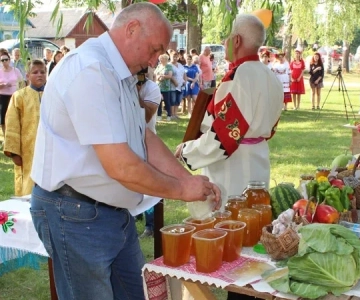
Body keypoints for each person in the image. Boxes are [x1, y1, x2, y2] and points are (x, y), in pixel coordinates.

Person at [29, 3, 221, 300]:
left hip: (109, 211)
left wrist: (187, 180)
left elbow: (142, 137)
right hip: (74, 213)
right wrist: (183, 189)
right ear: (131, 29)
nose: (156, 61)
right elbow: (122, 167)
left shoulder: (119, 71)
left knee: (137, 293)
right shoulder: (91, 69)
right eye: (155, 49)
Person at [175, 13, 282, 224]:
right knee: (255, 218)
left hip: (233, 166)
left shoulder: (240, 76)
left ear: (237, 41)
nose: (224, 43)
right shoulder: (270, 75)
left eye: (227, 38)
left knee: (231, 221)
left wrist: (188, 150)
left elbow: (226, 135)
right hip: (258, 157)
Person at [3, 60, 46, 196]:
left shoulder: (53, 95)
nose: (39, 75)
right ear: (27, 76)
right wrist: (14, 152)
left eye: (43, 72)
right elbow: (12, 125)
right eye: (35, 72)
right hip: (27, 149)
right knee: (29, 180)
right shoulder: (19, 96)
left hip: (50, 146)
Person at [136, 67, 162, 238]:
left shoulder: (152, 88)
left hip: (147, 144)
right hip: (126, 144)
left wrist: (135, 92)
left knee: (150, 186)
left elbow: (144, 116)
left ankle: (151, 225)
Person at [0, 52, 23, 140]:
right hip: (3, 96)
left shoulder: (15, 70)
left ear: (9, 60)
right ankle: (6, 138)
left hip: (14, 96)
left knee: (14, 116)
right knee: (3, 117)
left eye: (6, 60)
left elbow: (21, 81)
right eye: (2, 60)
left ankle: (16, 136)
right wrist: (3, 85)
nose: (4, 62)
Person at [154, 53, 173, 121]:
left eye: (162, 59)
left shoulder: (169, 66)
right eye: (160, 59)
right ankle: (159, 115)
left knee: (167, 101)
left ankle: (169, 115)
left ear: (165, 59)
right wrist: (158, 78)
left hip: (166, 87)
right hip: (159, 86)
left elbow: (170, 76)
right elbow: (155, 75)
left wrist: (163, 76)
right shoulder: (159, 66)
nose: (161, 60)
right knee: (159, 101)